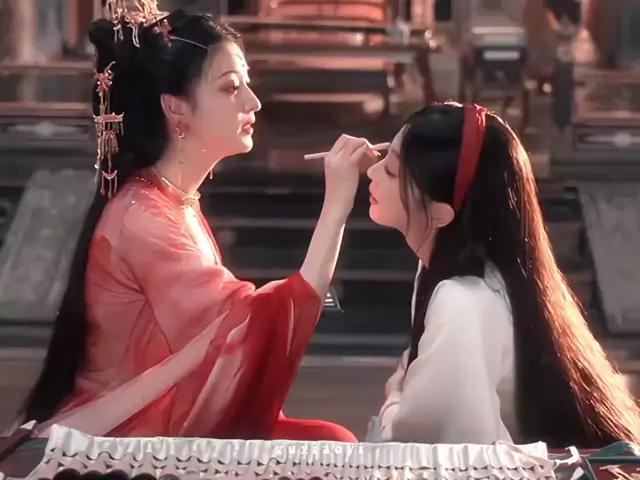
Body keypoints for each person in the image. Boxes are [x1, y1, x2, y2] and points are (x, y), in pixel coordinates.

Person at [18, 2, 371, 441]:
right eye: (231, 87)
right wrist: (336, 204)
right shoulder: (141, 218)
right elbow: (246, 323)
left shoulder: (173, 202)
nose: (253, 102)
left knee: (327, 442)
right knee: (330, 443)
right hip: (127, 434)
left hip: (163, 420)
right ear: (176, 107)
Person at [366, 102, 640, 448]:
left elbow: (432, 446)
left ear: (440, 213)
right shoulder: (461, 274)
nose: (371, 172)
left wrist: (395, 397)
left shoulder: (462, 300)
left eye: (391, 171)